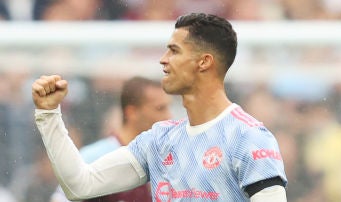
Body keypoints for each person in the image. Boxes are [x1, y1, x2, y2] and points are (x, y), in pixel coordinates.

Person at [32, 13, 287, 201]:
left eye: (174, 51)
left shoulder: (249, 138)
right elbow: (80, 185)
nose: (163, 61)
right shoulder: (159, 140)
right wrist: (48, 114)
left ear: (204, 62)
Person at [50, 76, 172, 202]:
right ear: (132, 112)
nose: (169, 116)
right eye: (160, 108)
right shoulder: (94, 156)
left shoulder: (166, 158)